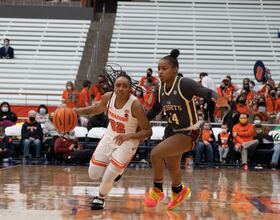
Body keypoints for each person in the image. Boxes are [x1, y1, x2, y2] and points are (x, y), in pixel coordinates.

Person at [143, 49, 217, 210]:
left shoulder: (184, 83)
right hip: (172, 131)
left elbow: (205, 92)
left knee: (155, 154)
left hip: (188, 132)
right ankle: (179, 191)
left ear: (175, 69)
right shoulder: (160, 88)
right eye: (159, 69)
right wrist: (140, 122)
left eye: (164, 68)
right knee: (172, 165)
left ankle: (157, 190)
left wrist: (215, 96)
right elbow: (155, 109)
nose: (160, 72)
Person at [74, 72, 152, 210]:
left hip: (128, 141)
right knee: (93, 174)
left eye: (124, 86)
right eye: (118, 85)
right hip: (110, 136)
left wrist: (128, 136)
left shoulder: (135, 105)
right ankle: (117, 170)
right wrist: (76, 111)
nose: (121, 88)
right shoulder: (108, 97)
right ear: (114, 87)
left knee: (110, 173)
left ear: (130, 89)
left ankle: (100, 198)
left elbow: (148, 131)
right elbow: (95, 108)